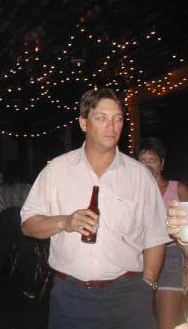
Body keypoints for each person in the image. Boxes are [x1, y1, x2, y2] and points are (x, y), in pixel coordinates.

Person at [21, 88, 170, 328]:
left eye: (117, 119)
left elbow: (155, 237)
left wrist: (148, 285)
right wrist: (64, 222)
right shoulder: (56, 171)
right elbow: (28, 224)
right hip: (71, 296)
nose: (111, 126)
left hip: (128, 295)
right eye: (101, 118)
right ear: (83, 123)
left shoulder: (140, 176)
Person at [138, 137, 188, 329]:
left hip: (172, 257)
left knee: (167, 324)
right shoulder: (135, 191)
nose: (147, 164)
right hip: (140, 258)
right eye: (143, 160)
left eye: (153, 160)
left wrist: (186, 267)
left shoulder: (178, 188)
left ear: (162, 163)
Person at [0, 160, 34, 300]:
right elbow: (33, 210)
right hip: (22, 219)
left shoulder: (1, 188)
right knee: (28, 256)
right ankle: (28, 289)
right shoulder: (28, 187)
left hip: (5, 219)